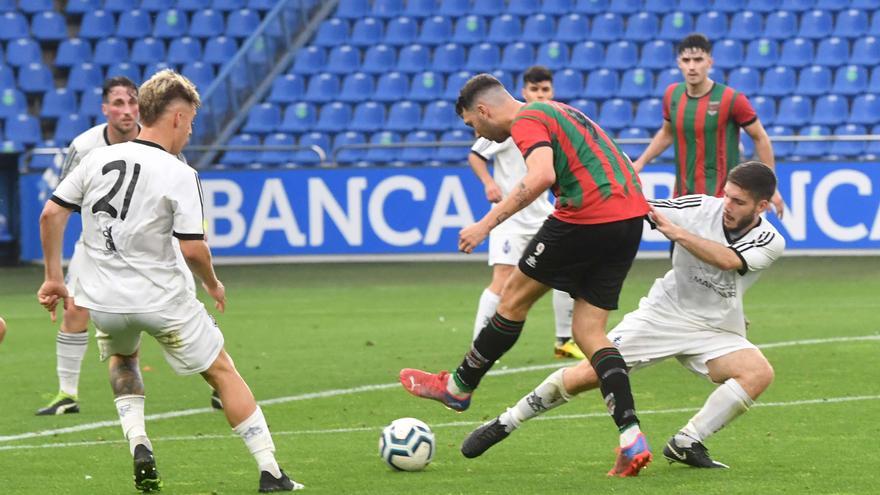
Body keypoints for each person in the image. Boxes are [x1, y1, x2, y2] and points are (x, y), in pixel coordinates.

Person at [37, 70, 302, 493]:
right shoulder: (179, 172)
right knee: (221, 371)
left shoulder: (96, 159)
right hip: (162, 300)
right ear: (177, 118)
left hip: (103, 301)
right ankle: (271, 470)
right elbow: (193, 248)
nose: (190, 132)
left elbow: (51, 214)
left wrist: (54, 278)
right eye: (191, 122)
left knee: (123, 361)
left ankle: (138, 440)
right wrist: (213, 284)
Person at [400, 74, 653, 477]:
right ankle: (630, 434)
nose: (476, 132)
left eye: (472, 124)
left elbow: (540, 176)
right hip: (629, 217)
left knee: (513, 297)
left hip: (586, 213)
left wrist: (486, 224)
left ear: (482, 111)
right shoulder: (561, 110)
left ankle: (458, 387)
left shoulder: (528, 118)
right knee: (589, 333)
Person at [460, 162, 784, 471]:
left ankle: (686, 442)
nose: (727, 204)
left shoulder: (771, 240)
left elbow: (727, 260)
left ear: (761, 206)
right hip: (663, 314)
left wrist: (677, 233)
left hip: (715, 327)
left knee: (757, 373)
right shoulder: (700, 207)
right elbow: (640, 206)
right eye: (726, 194)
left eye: (738, 201)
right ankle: (506, 421)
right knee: (585, 376)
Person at [36, 76, 222, 415]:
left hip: (153, 245)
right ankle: (67, 394)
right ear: (105, 108)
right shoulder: (84, 146)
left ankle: (219, 383)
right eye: (118, 103)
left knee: (185, 309)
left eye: (132, 103)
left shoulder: (161, 145)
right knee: (75, 308)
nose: (127, 110)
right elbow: (60, 205)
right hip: (98, 242)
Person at [467, 66, 582, 360]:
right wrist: (489, 182)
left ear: (552, 92)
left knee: (566, 273)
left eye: (545, 90)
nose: (540, 95)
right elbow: (476, 154)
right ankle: (478, 343)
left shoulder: (546, 122)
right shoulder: (506, 124)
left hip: (541, 213)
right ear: (524, 92)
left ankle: (564, 340)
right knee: (502, 280)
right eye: (534, 90)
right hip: (510, 219)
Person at [632, 34, 785, 218]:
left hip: (722, 201)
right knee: (680, 246)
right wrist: (640, 163)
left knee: (718, 248)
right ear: (679, 63)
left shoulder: (732, 99)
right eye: (686, 60)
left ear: (709, 62)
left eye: (698, 60)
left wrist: (771, 187)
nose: (692, 66)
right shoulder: (672, 95)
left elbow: (760, 137)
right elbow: (667, 133)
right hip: (683, 199)